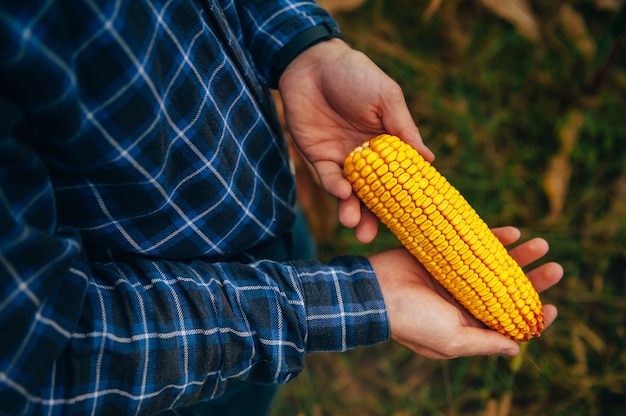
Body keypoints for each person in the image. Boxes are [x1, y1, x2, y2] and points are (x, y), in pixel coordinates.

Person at [0, 1, 563, 415]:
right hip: (170, 349)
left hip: (262, 205)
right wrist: (348, 301)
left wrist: (301, 46)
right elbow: (41, 365)